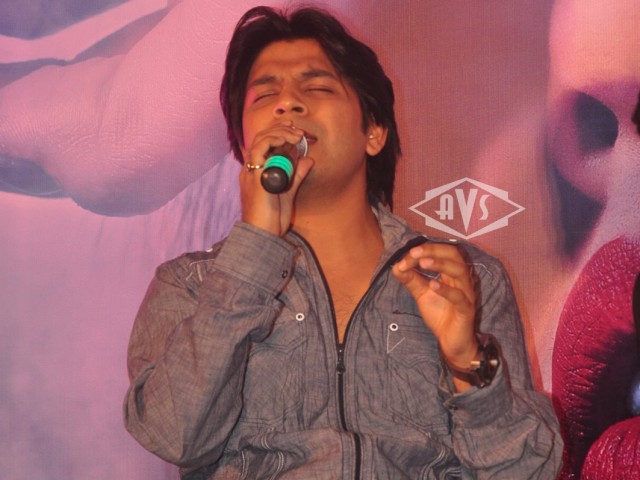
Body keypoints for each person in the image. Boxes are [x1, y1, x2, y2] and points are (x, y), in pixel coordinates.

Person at [123, 6, 562, 478]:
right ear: (243, 145)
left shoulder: (464, 277)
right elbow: (173, 435)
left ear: (373, 132)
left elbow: (529, 472)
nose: (288, 104)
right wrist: (251, 256)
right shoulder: (191, 284)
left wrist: (468, 364)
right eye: (265, 94)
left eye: (316, 88)